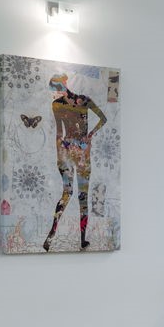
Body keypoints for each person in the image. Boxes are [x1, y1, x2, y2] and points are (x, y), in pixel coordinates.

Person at [43, 72, 107, 250]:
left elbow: (103, 118)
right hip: (73, 152)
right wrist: (60, 155)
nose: (56, 90)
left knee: (77, 195)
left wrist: (90, 135)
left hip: (78, 152)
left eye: (58, 86)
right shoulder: (57, 104)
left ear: (65, 82)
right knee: (72, 194)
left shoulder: (84, 100)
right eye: (54, 88)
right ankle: (54, 236)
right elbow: (59, 132)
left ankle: (77, 240)